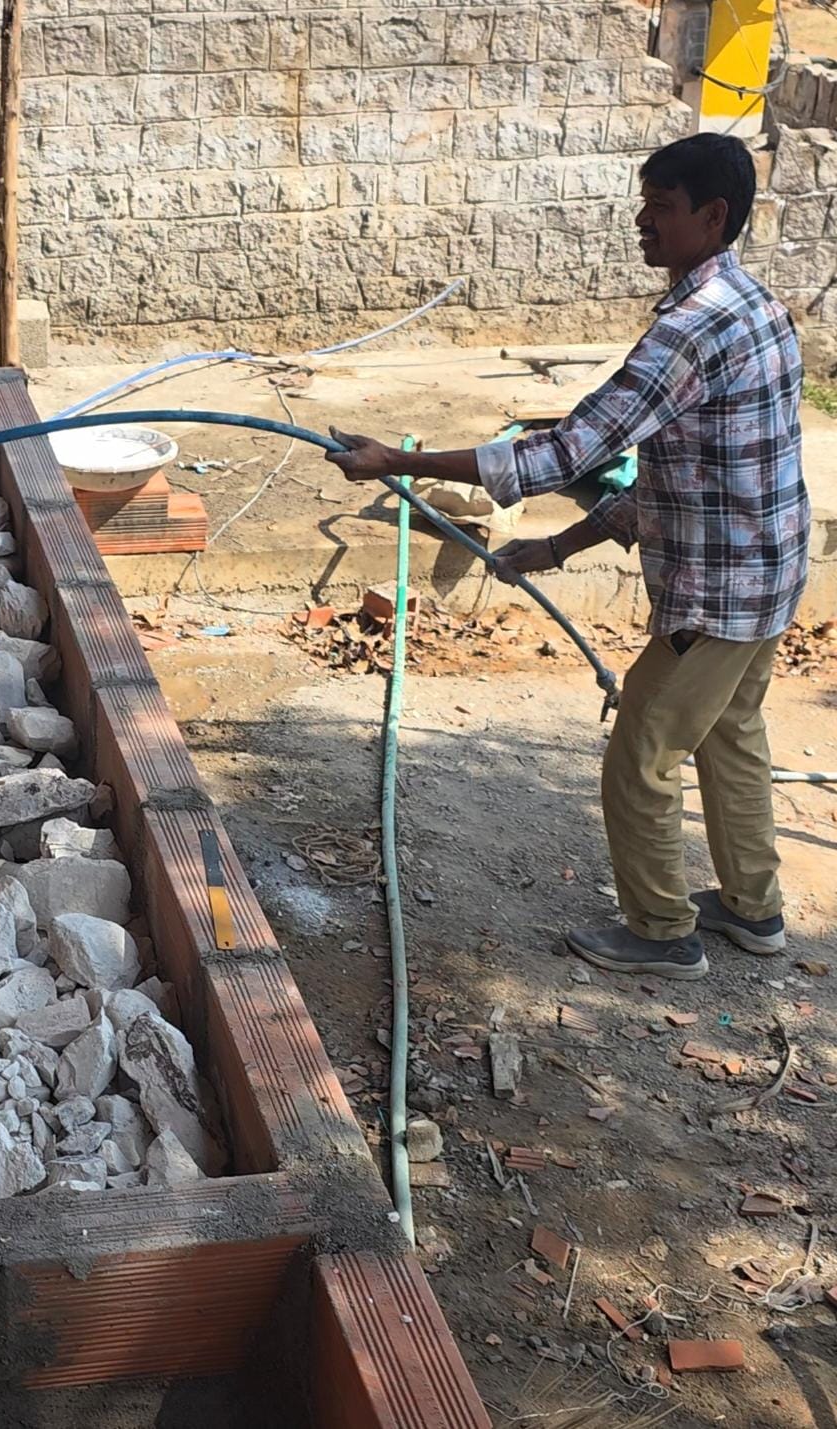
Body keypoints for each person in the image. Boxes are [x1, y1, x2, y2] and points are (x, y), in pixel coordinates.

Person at [326, 132, 810, 982]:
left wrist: (394, 461)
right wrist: (555, 546)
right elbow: (688, 477)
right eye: (645, 203)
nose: (642, 223)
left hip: (719, 595)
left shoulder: (688, 332)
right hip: (768, 576)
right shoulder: (756, 305)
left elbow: (564, 451)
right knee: (731, 733)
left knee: (641, 757)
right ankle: (752, 907)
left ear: (713, 215)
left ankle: (662, 930)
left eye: (661, 208)